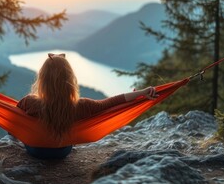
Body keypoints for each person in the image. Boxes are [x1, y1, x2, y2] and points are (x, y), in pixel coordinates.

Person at [16, 53, 159, 159]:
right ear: (70, 80)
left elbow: (13, 120)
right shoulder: (81, 106)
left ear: (42, 80)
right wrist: (141, 93)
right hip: (61, 152)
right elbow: (111, 102)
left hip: (35, 150)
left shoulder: (29, 102)